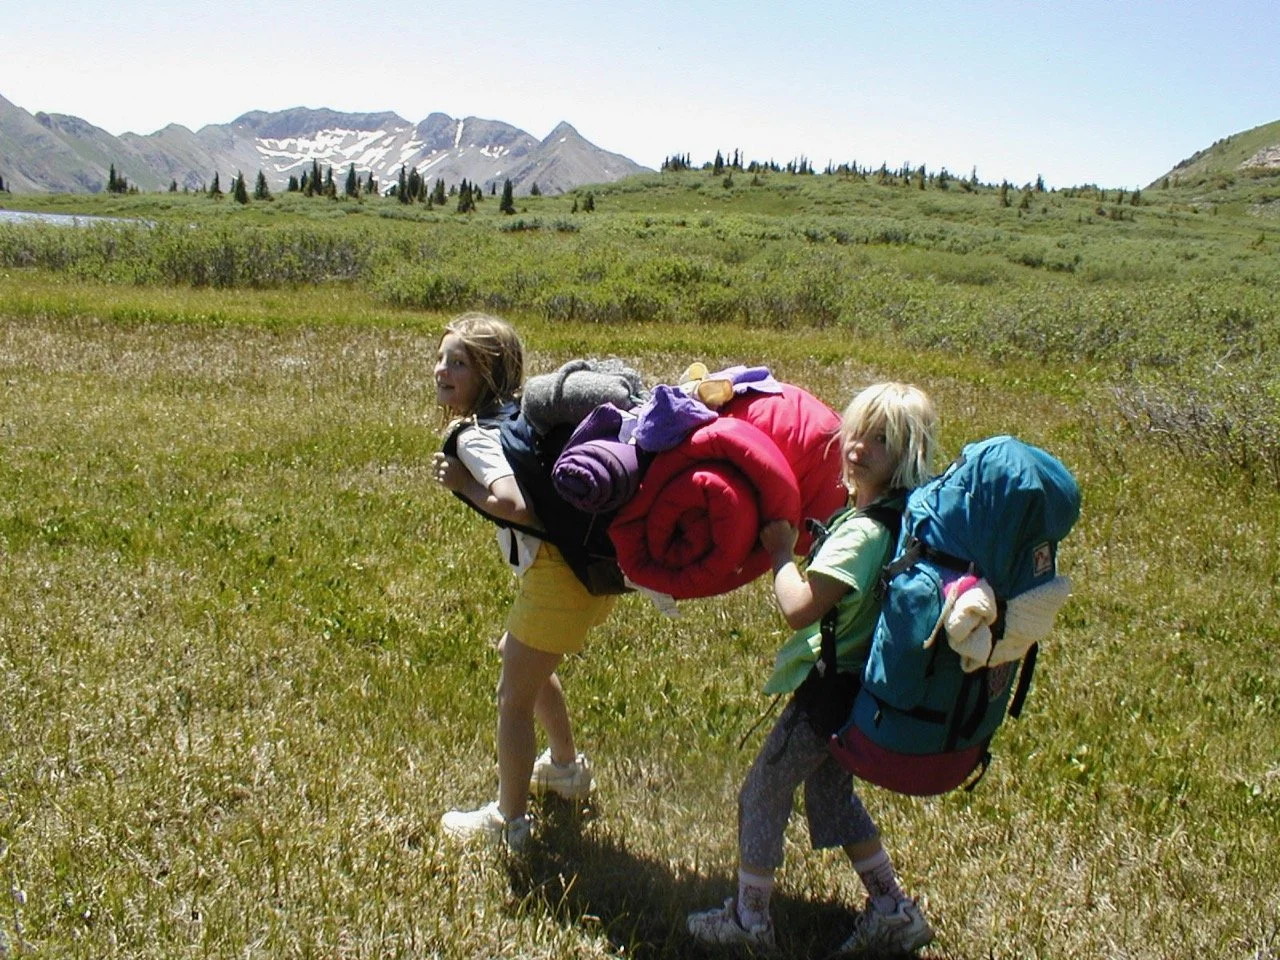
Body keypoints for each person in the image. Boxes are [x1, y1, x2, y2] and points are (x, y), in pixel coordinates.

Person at [687, 382, 940, 955]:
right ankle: (892, 909)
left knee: (761, 792)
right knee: (829, 797)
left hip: (829, 690)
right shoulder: (905, 519)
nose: (859, 448)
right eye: (857, 431)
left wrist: (781, 552)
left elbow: (799, 608)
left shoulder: (862, 531)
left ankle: (750, 922)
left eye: (881, 440)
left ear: (907, 453)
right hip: (863, 689)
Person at [430, 312, 617, 851]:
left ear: (489, 373)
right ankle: (563, 769)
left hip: (556, 576)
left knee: (512, 698)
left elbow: (515, 504)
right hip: (584, 569)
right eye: (441, 358)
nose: (442, 370)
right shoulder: (519, 416)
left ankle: (507, 821)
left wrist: (464, 485)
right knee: (515, 652)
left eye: (458, 363)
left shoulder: (474, 435)